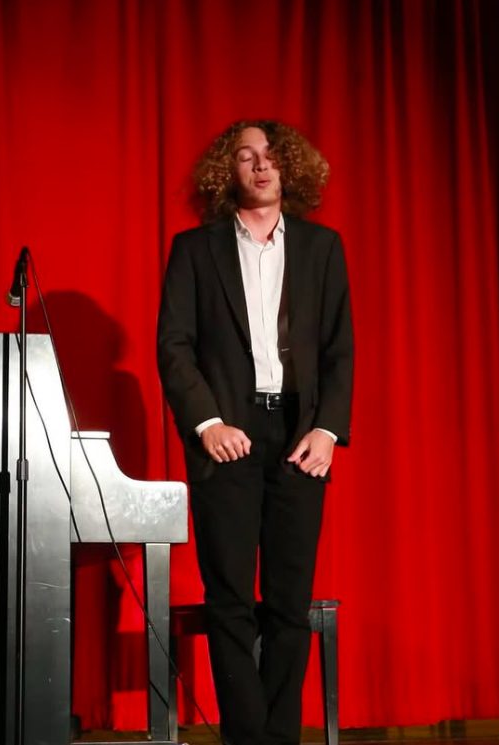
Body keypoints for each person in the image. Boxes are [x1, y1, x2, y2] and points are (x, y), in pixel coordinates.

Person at [157, 120, 353, 745]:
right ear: (228, 172)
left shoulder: (323, 248)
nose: (260, 166)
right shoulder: (195, 249)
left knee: (290, 605)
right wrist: (208, 423)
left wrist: (327, 429)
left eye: (270, 156)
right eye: (246, 157)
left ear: (288, 168)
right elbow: (174, 347)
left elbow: (339, 351)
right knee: (231, 603)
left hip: (300, 438)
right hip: (228, 436)